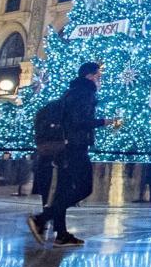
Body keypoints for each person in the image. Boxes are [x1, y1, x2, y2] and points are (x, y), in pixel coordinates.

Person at [27, 62, 115, 248]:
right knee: (84, 188)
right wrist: (103, 121)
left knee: (64, 190)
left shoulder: (72, 92)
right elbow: (78, 121)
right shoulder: (85, 93)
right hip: (75, 146)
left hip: (65, 147)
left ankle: (62, 234)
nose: (100, 80)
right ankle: (42, 219)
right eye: (98, 76)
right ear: (89, 76)